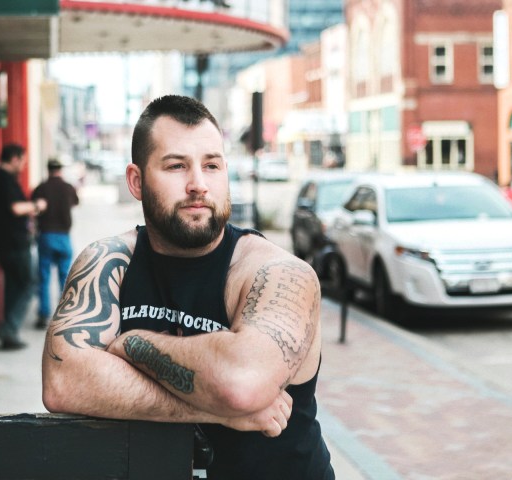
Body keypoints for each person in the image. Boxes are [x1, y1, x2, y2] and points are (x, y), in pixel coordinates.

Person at [42, 96, 334, 479]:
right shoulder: (108, 261)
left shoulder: (278, 273)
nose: (199, 185)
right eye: (176, 166)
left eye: (211, 165)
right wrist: (217, 411)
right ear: (136, 181)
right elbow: (64, 382)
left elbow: (241, 386)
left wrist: (129, 344)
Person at [0, 143, 47, 350]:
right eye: (22, 161)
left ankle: (8, 332)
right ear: (14, 159)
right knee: (29, 283)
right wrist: (37, 206)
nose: (23, 165)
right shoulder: (3, 179)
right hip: (13, 243)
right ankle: (9, 330)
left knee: (14, 286)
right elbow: (16, 208)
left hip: (5, 242)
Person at [31, 157, 79, 329]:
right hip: (63, 237)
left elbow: (34, 209)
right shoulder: (68, 188)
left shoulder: (40, 188)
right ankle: (65, 316)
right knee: (65, 278)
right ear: (60, 169)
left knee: (44, 277)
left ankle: (43, 315)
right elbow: (75, 203)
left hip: (46, 236)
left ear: (48, 169)